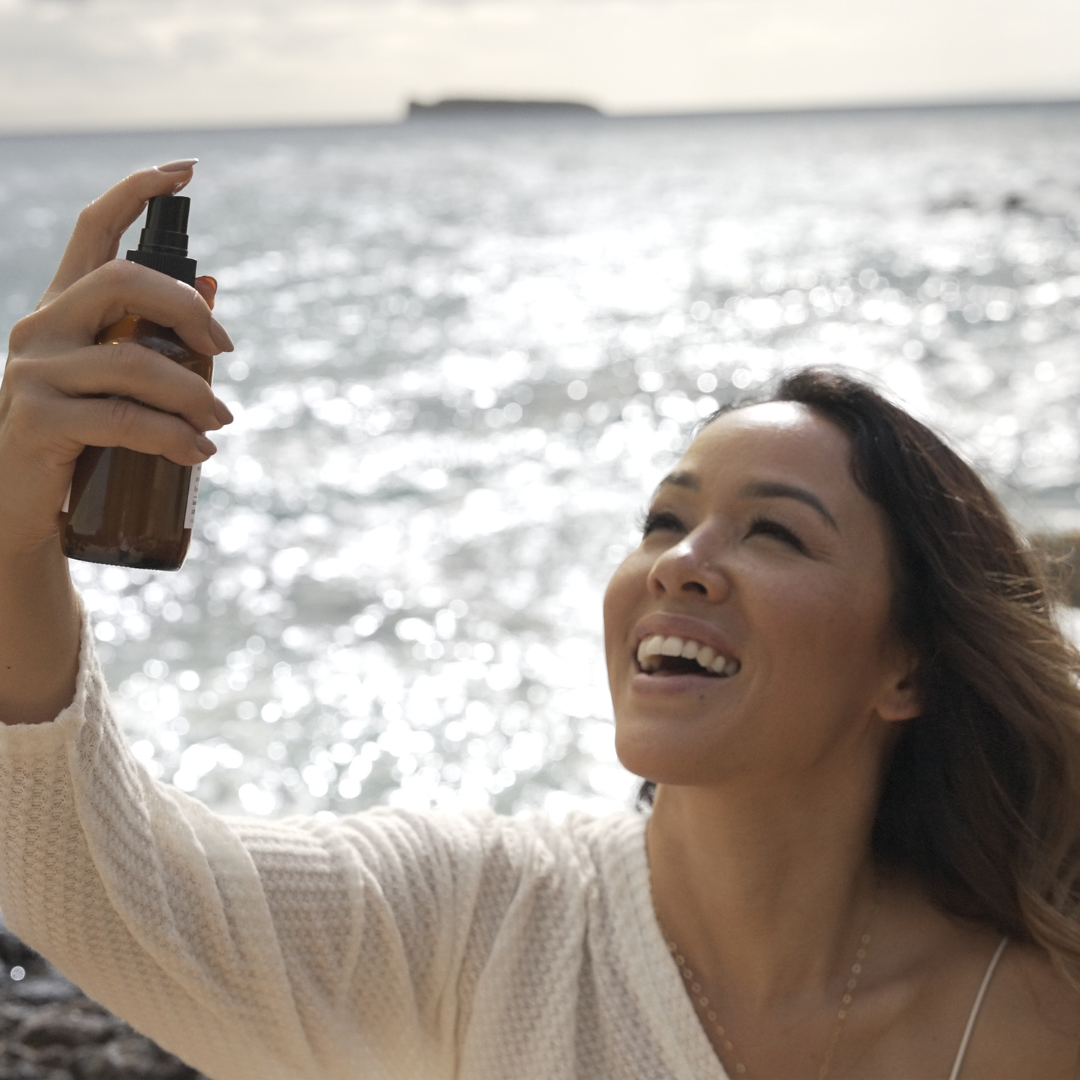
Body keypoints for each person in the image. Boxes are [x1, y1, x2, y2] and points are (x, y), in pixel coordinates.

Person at [0, 164, 1078, 1080]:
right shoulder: (482, 925)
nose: (684, 565)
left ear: (910, 669)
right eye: (665, 521)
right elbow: (111, 880)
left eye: (776, 535)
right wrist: (11, 536)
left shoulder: (1033, 1018)